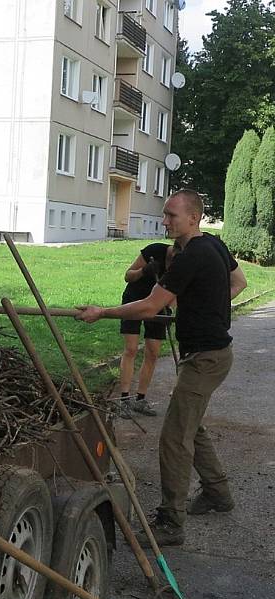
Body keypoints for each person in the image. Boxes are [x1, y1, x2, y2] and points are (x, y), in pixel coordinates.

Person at [76, 189, 247, 546]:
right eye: (165, 214)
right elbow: (238, 283)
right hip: (210, 353)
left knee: (174, 437)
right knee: (191, 425)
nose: (165, 220)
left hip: (206, 358)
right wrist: (203, 305)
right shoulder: (214, 245)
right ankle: (218, 493)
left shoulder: (194, 254)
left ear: (193, 218)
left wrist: (102, 312)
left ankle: (171, 522)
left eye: (171, 215)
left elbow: (149, 307)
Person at [116, 242, 174, 419]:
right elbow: (128, 276)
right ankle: (124, 400)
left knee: (153, 352)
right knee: (131, 349)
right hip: (134, 301)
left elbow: (178, 291)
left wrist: (170, 306)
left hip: (159, 306)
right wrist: (144, 271)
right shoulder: (154, 251)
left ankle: (140, 400)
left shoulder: (185, 261)